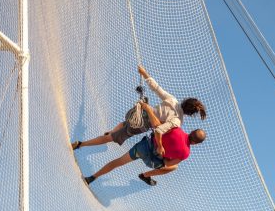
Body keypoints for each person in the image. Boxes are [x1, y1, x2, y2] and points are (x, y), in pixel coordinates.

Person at [71, 65, 206, 151]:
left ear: (185, 101)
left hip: (139, 112)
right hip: (143, 123)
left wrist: (145, 73)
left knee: (126, 122)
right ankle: (81, 144)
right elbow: (158, 127)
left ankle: (111, 132)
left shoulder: (173, 100)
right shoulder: (178, 121)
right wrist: (160, 146)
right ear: (190, 114)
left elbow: (156, 88)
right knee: (111, 138)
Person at [83, 113, 206, 186]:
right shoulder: (186, 153)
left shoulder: (176, 129)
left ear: (191, 132)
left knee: (118, 162)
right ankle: (145, 175)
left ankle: (92, 177)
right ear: (196, 143)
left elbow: (158, 126)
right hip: (152, 161)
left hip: (143, 148)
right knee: (174, 167)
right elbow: (167, 164)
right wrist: (163, 153)